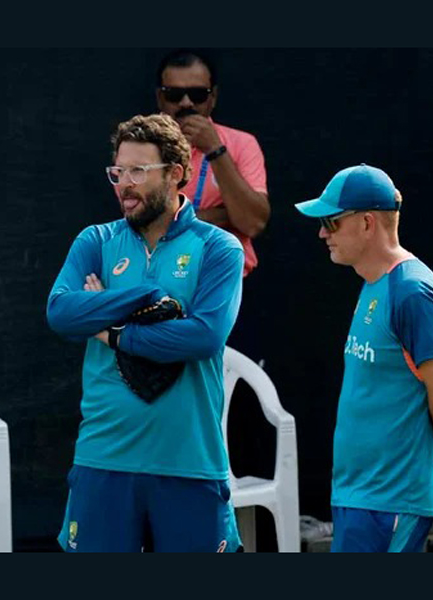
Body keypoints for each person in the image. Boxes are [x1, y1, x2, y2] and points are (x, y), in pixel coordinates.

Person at [46, 113, 244, 552]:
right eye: (118, 171)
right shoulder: (95, 241)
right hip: (104, 459)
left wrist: (112, 330)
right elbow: (60, 312)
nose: (124, 184)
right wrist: (144, 295)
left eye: (138, 171)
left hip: (190, 463)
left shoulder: (218, 247)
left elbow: (203, 337)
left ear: (175, 175)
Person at [295, 163, 433, 552]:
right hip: (361, 496)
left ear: (366, 222)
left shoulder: (413, 293)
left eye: (331, 221)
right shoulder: (376, 285)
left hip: (390, 500)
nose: (322, 232)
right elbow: (415, 393)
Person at [156, 49, 269, 278]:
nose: (186, 103)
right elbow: (150, 221)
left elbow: (253, 223)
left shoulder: (241, 143)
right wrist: (225, 216)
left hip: (225, 281)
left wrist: (215, 150)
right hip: (161, 278)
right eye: (174, 94)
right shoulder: (141, 145)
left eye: (198, 95)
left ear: (213, 97)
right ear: (160, 97)